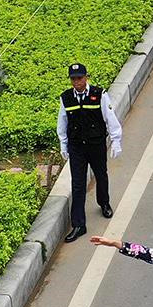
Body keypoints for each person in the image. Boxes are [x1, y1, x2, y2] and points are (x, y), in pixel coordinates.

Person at [58, 62, 123, 243]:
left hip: (95, 144)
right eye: (73, 79)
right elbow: (62, 123)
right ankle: (79, 224)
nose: (77, 82)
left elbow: (109, 117)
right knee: (78, 184)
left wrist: (116, 140)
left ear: (86, 77)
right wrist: (64, 144)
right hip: (77, 146)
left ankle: (104, 202)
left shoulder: (99, 95)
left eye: (79, 78)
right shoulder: (66, 98)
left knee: (101, 175)